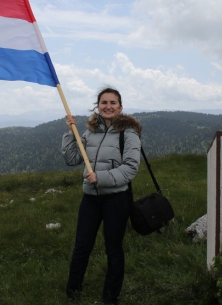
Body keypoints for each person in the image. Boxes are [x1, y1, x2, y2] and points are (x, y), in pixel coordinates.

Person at [61, 87, 141, 304]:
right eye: (104, 102)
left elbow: (131, 169)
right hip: (90, 198)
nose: (108, 106)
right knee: (82, 246)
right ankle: (72, 292)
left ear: (120, 107)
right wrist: (70, 133)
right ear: (98, 106)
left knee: (113, 248)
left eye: (113, 103)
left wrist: (102, 177)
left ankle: (110, 297)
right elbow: (72, 159)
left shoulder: (129, 134)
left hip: (117, 198)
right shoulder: (89, 132)